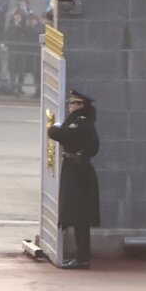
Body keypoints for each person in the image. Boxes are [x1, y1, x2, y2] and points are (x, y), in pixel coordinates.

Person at [47, 89, 101, 269]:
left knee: (80, 216)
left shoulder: (80, 123)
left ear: (80, 106)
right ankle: (81, 256)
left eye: (72, 103)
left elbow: (59, 135)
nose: (69, 106)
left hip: (79, 171)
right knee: (77, 215)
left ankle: (82, 258)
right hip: (75, 169)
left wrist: (54, 127)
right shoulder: (80, 122)